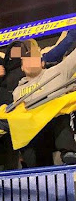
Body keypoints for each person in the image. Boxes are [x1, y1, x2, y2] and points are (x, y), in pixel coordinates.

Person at [13, 38, 76, 167]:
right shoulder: (17, 92)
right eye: (26, 59)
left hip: (56, 127)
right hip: (34, 133)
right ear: (22, 67)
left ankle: (68, 152)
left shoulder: (58, 71)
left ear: (42, 63)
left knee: (60, 115)